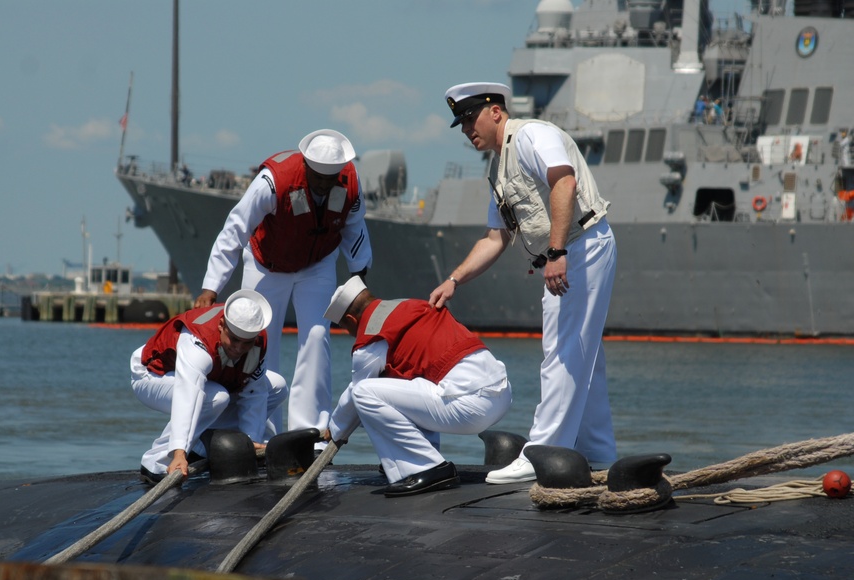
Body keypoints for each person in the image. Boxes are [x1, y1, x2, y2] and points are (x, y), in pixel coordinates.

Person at [429, 82, 618, 484]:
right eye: (460, 123)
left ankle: (542, 452)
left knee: (562, 353)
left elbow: (563, 182)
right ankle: (599, 453)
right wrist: (454, 280)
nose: (466, 129)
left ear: (495, 111)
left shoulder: (533, 135)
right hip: (569, 252)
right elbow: (496, 237)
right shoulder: (498, 167)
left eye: (469, 118)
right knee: (584, 357)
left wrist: (555, 253)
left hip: (580, 246)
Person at [194, 129, 372, 437]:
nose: (323, 185)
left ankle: (310, 431)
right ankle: (261, 430)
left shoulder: (350, 184)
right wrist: (211, 287)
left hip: (317, 266)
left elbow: (355, 231)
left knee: (317, 337)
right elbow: (235, 229)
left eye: (330, 179)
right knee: (261, 344)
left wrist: (360, 276)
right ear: (305, 165)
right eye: (317, 178)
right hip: (266, 265)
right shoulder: (272, 181)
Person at [322, 276, 512, 497]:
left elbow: (356, 392)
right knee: (404, 381)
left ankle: (423, 467)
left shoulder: (371, 337)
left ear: (351, 320)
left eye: (347, 328)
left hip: (471, 405)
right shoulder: (412, 306)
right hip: (503, 394)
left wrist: (334, 431)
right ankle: (414, 456)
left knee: (364, 393)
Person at [130, 289, 286, 482]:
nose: (238, 349)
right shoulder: (198, 342)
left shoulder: (257, 340)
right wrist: (179, 453)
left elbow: (255, 392)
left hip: (212, 380)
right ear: (222, 325)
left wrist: (248, 442)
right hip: (152, 374)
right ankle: (157, 461)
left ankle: (205, 448)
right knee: (217, 397)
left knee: (277, 386)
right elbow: (188, 395)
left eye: (246, 343)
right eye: (234, 340)